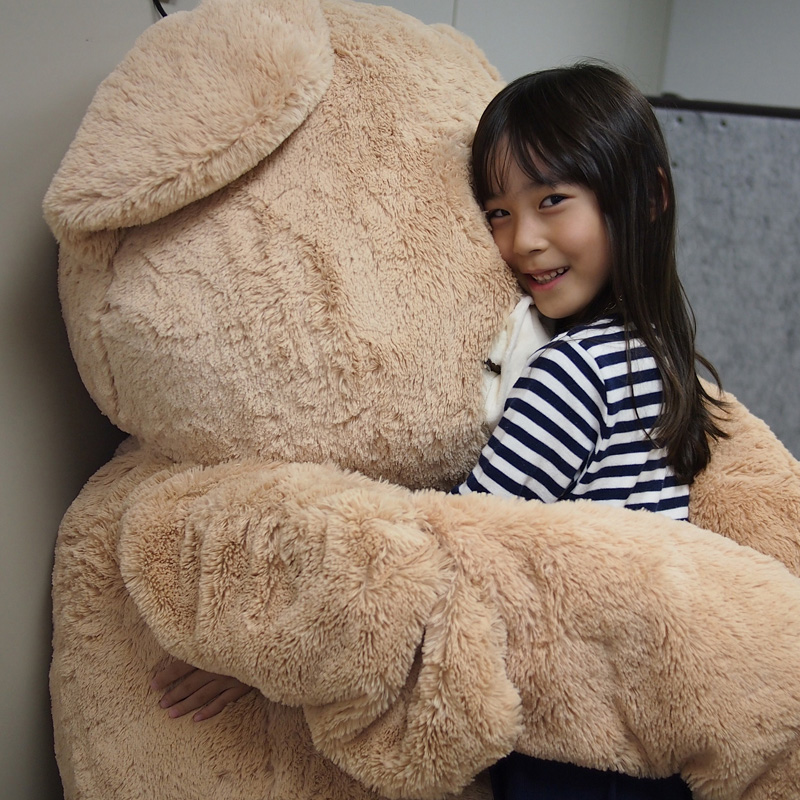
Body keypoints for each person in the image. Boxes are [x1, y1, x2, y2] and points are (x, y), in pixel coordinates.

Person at [451, 62, 729, 799]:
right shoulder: (662, 358)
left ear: (648, 198)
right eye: (497, 212)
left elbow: (461, 544)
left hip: (572, 745)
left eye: (552, 200)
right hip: (653, 734)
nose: (523, 241)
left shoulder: (576, 368)